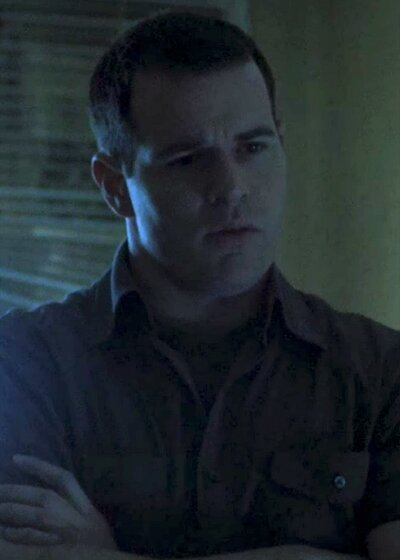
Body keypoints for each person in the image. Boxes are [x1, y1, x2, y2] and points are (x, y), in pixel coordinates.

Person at [0, 8, 399, 560]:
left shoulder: (380, 372)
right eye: (188, 160)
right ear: (114, 186)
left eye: (253, 148)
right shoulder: (23, 366)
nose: (231, 188)